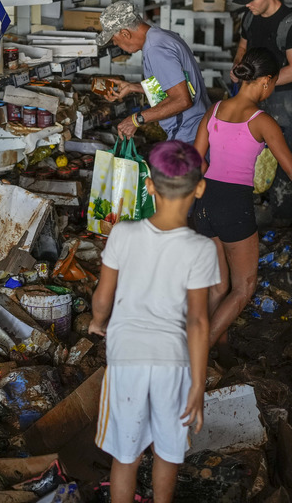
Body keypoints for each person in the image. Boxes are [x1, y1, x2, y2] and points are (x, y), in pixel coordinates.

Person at [193, 49, 292, 351]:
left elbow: (195, 160)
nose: (273, 89)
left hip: (204, 202)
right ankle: (197, 356)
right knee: (243, 289)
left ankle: (217, 350)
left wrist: (211, 185)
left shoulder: (214, 110)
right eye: (274, 83)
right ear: (265, 81)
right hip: (233, 205)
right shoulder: (261, 120)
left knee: (218, 287)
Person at [89, 141, 219, 503]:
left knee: (125, 455)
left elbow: (104, 295)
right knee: (167, 451)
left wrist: (98, 321)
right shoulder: (201, 249)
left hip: (127, 358)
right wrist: (197, 384)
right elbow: (197, 322)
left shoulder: (123, 233)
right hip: (173, 363)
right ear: (199, 187)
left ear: (149, 185)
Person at [230, 0, 292, 221]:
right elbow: (243, 47)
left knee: (281, 154)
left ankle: (281, 216)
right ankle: (249, 209)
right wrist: (237, 67)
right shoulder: (250, 16)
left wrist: (260, 84)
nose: (248, 5)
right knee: (245, 149)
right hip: (250, 94)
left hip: (281, 99)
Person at [97, 0, 211, 143]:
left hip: (188, 133)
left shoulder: (156, 50)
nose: (114, 43)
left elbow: (182, 100)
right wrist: (133, 87)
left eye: (114, 39)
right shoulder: (160, 36)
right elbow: (176, 86)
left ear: (125, 33)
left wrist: (136, 119)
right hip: (198, 128)